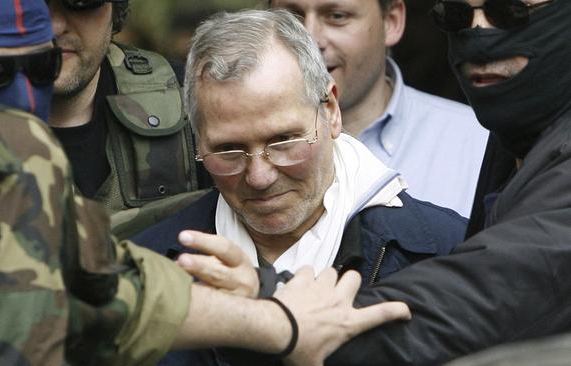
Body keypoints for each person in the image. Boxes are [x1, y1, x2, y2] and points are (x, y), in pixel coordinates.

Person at [0, 1, 411, 365]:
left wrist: (275, 318)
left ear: (330, 110)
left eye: (39, 68)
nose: (258, 175)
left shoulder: (20, 158)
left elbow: (104, 286)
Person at [186, 1, 571, 364]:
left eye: (508, 10)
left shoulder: (437, 231)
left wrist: (273, 314)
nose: (479, 34)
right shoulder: (513, 139)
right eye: (455, 14)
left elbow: (492, 292)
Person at [133, 8, 466, 365]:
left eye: (283, 141)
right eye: (229, 150)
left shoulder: (448, 252)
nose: (259, 177)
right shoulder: (145, 272)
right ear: (197, 140)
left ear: (331, 111)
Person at [269, 0, 488, 217]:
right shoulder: (240, 151)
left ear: (391, 22)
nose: (310, 39)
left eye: (337, 16)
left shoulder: (478, 144)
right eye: (292, 18)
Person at [45, 0, 211, 234]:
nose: (55, 25)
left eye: (79, 3)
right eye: (34, 5)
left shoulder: (190, 96)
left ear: (114, 8)